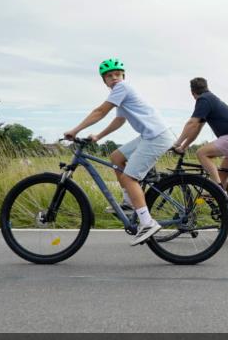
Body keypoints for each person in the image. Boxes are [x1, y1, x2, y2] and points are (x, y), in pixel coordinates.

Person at [63, 58, 173, 245]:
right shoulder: (120, 94)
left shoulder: (122, 87)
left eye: (117, 74)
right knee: (116, 157)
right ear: (104, 81)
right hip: (150, 135)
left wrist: (75, 130)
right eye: (109, 76)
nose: (114, 78)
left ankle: (147, 223)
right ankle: (129, 203)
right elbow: (119, 120)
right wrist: (98, 136)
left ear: (123, 76)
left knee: (130, 177)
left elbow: (100, 111)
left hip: (157, 137)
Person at [172, 77, 228, 188]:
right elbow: (196, 129)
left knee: (201, 153)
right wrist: (183, 147)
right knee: (222, 178)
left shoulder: (204, 99)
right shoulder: (210, 98)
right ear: (207, 87)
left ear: (192, 93)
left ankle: (216, 188)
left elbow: (192, 123)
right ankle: (223, 194)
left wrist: (177, 144)